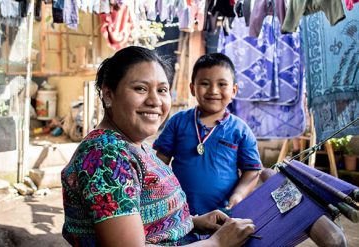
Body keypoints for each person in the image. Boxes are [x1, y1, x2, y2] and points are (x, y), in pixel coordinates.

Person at [61, 46, 255, 247]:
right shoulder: (106, 157)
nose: (155, 101)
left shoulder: (134, 145)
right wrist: (218, 243)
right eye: (140, 88)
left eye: (162, 90)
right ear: (108, 94)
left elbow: (143, 221)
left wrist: (193, 222)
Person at [153, 53, 262, 216]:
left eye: (222, 84)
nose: (213, 90)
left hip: (222, 214)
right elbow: (160, 161)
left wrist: (238, 195)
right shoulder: (178, 122)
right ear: (192, 88)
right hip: (178, 213)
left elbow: (252, 171)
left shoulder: (241, 130)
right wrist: (159, 193)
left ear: (233, 91)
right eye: (204, 83)